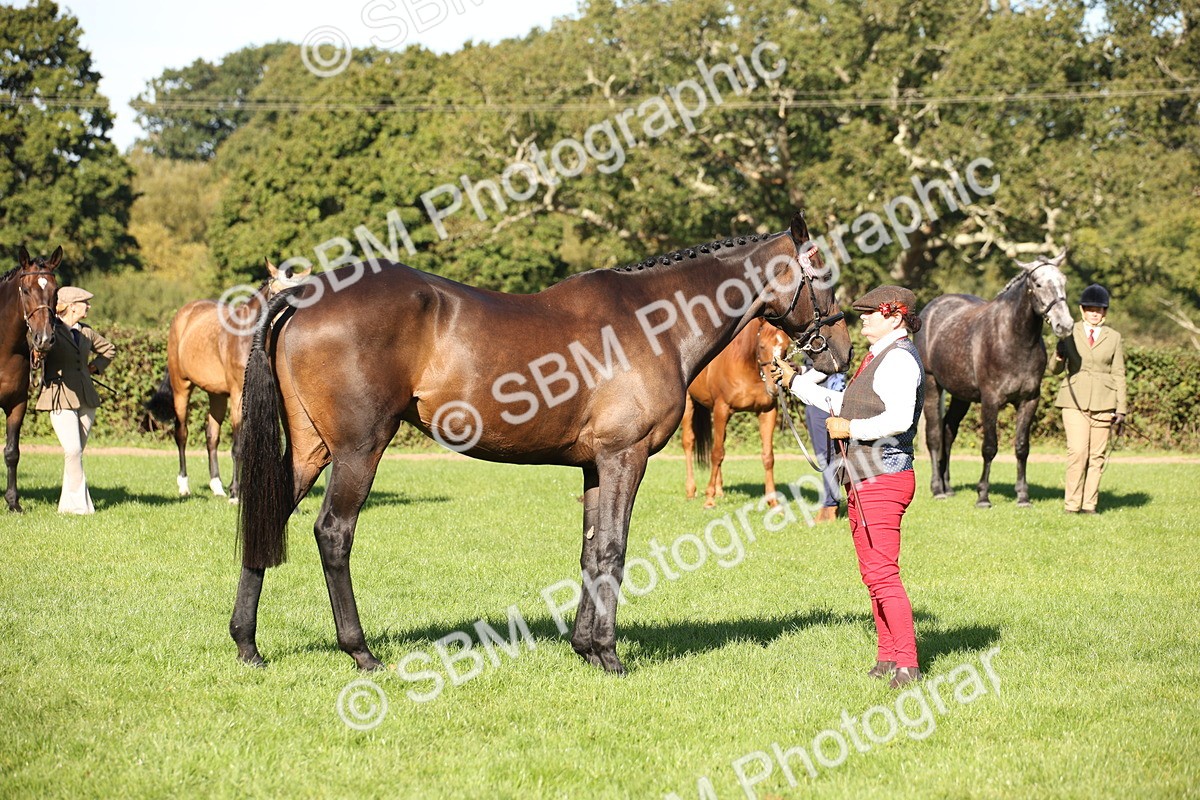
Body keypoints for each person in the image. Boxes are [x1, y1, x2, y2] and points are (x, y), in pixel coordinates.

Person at [770, 286, 925, 689]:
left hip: (884, 477)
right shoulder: (878, 358)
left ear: (895, 317)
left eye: (871, 313)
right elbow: (842, 405)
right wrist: (794, 382)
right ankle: (888, 656)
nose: (863, 320)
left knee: (883, 574)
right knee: (872, 574)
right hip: (863, 476)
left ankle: (907, 662)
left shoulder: (899, 361)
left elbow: (899, 419)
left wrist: (850, 429)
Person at [35, 286, 115, 514]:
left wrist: (94, 367)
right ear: (71, 306)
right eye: (84, 302)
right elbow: (36, 348)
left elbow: (109, 350)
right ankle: (81, 506)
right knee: (72, 450)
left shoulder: (86, 332)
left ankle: (66, 505)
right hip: (59, 396)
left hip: (86, 398)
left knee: (76, 453)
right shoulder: (51, 330)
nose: (88, 306)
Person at [1050, 283, 1127, 514]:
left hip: (1105, 402)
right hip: (1074, 401)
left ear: (1105, 312)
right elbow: (1053, 370)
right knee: (1078, 452)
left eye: (1099, 309)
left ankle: (1089, 505)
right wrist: (1059, 354)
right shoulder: (1068, 331)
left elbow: (1119, 373)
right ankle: (1072, 505)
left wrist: (1121, 409)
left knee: (1097, 457)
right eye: (1091, 309)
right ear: (1082, 310)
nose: (1095, 313)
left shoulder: (1114, 337)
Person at [801, 360, 846, 522]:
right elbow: (815, 367)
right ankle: (830, 500)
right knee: (823, 455)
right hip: (813, 400)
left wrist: (796, 380)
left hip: (827, 399)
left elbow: (830, 366)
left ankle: (830, 504)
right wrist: (800, 369)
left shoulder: (830, 337)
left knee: (828, 455)